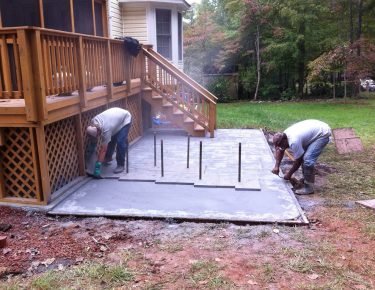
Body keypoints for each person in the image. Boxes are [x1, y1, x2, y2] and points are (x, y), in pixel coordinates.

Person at [271, 119, 331, 195]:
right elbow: (280, 150)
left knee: (307, 160)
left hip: (322, 133)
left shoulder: (294, 141)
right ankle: (307, 178)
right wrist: (276, 166)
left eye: (280, 144)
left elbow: (298, 161)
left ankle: (309, 188)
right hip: (315, 129)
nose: (281, 147)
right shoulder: (284, 136)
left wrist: (289, 174)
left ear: (284, 140)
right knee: (305, 157)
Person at [86, 107, 132, 177]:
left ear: (99, 131)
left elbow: (103, 149)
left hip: (125, 118)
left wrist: (98, 166)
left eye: (97, 136)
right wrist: (92, 146)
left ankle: (120, 164)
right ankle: (108, 158)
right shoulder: (93, 122)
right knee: (110, 140)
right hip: (115, 119)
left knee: (120, 142)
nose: (97, 137)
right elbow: (93, 136)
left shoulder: (106, 129)